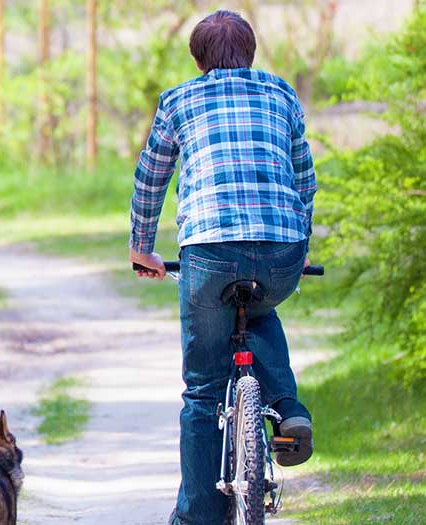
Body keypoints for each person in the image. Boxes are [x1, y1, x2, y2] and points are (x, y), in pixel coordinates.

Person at [127, 10, 317, 524]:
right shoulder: (281, 94)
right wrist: (297, 248)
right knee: (257, 310)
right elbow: (305, 179)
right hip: (282, 246)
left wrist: (143, 248)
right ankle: (288, 406)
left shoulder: (179, 99)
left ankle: (197, 517)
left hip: (209, 250)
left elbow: (151, 179)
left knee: (204, 391)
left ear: (197, 60)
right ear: (251, 55)